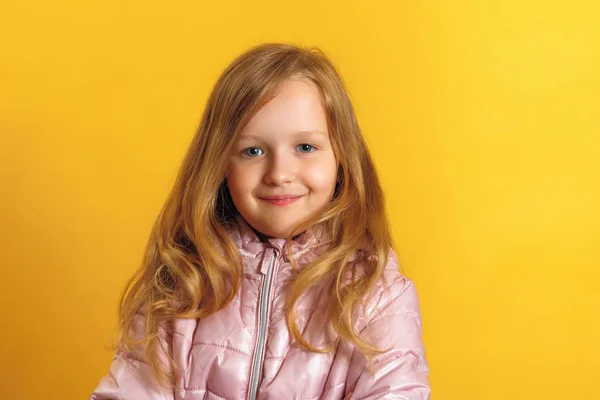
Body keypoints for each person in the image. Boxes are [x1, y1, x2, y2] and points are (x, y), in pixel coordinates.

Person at [90, 42, 430, 400]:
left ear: (342, 155)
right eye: (252, 151)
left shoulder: (377, 294)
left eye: (305, 147)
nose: (279, 174)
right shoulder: (184, 280)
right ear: (220, 164)